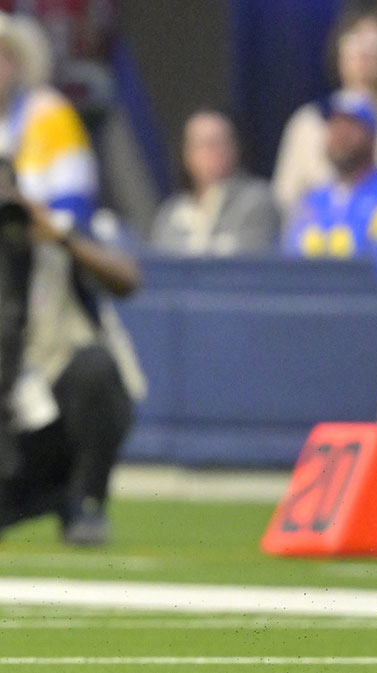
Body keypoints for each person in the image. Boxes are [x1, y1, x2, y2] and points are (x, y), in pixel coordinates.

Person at [0, 13, 144, 546]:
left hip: (45, 346)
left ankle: (83, 498)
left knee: (94, 371)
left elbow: (121, 270)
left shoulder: (46, 121)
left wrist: (46, 228)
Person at [272, 8, 377, 221]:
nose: (363, 54)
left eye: (374, 45)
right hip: (318, 242)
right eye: (354, 42)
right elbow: (285, 201)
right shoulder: (309, 122)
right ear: (339, 53)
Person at [149, 108, 280, 256]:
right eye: (205, 143)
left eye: (222, 142)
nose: (215, 151)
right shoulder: (170, 213)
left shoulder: (256, 201)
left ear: (235, 148)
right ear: (186, 154)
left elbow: (247, 263)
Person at [282, 90, 377, 259]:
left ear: (372, 135)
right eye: (334, 125)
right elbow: (288, 260)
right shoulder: (312, 199)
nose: (340, 135)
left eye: (350, 126)